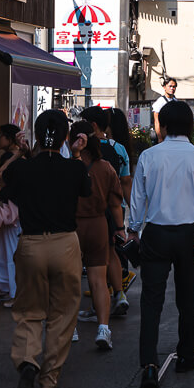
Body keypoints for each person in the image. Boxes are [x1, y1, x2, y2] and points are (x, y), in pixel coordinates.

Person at [0, 110, 89, 388]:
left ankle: (27, 362)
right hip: (65, 244)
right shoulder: (73, 168)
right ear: (65, 137)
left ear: (35, 135)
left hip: (31, 244)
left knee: (29, 309)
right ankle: (49, 381)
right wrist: (75, 154)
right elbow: (85, 188)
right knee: (63, 313)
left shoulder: (23, 168)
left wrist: (21, 155)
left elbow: (0, 182)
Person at [126, 100, 194, 388]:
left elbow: (137, 198)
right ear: (189, 125)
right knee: (188, 299)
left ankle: (149, 365)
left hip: (155, 234)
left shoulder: (149, 157)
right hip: (187, 234)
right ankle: (186, 356)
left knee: (151, 301)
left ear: (162, 125)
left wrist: (134, 229)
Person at [69, 121, 124, 350]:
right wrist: (120, 229)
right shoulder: (106, 168)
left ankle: (70, 328)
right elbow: (114, 204)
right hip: (99, 225)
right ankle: (103, 329)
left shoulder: (70, 165)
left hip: (72, 227)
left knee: (70, 281)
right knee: (99, 281)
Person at [83, 105, 134, 308]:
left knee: (91, 259)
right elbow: (126, 181)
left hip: (88, 213)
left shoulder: (83, 149)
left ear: (93, 125)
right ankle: (120, 294)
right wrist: (133, 214)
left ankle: (98, 306)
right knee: (111, 252)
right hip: (115, 209)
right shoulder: (118, 148)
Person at [0, 124, 28, 305]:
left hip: (13, 211)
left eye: (0, 135)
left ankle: (14, 293)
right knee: (2, 251)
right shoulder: (20, 157)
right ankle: (6, 289)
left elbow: (5, 182)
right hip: (15, 210)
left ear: (10, 139)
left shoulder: (9, 158)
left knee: (9, 252)